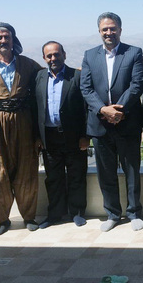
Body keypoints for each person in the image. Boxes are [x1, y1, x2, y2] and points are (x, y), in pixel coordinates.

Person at [0, 22, 42, 235]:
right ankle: (3, 219)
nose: (3, 41)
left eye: (7, 37)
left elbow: (45, 82)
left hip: (23, 122)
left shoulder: (28, 64)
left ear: (13, 40)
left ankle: (29, 216)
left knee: (27, 168)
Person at [81, 13, 143, 232]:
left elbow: (137, 84)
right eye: (104, 29)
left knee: (132, 171)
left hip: (127, 122)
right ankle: (112, 213)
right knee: (106, 172)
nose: (109, 32)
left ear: (120, 29)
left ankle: (134, 212)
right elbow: (86, 88)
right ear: (99, 31)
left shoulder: (133, 52)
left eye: (112, 28)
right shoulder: (90, 55)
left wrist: (119, 110)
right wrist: (103, 109)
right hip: (100, 125)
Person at [35, 41, 89, 229]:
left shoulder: (77, 76)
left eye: (56, 54)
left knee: (76, 175)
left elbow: (86, 108)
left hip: (74, 137)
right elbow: (35, 108)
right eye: (49, 56)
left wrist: (85, 135)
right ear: (44, 58)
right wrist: (37, 136)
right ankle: (55, 214)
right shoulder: (39, 77)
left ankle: (77, 212)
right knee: (53, 178)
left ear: (64, 55)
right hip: (49, 137)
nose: (53, 58)